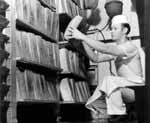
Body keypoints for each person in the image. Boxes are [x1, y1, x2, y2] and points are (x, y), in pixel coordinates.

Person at [65, 14, 145, 121]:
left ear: (125, 30)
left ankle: (118, 115)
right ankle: (107, 115)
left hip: (137, 90)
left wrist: (82, 36)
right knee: (105, 88)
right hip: (126, 88)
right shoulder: (118, 49)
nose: (112, 31)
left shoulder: (130, 47)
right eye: (111, 29)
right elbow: (96, 58)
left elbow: (106, 48)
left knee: (109, 80)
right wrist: (82, 41)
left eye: (115, 28)